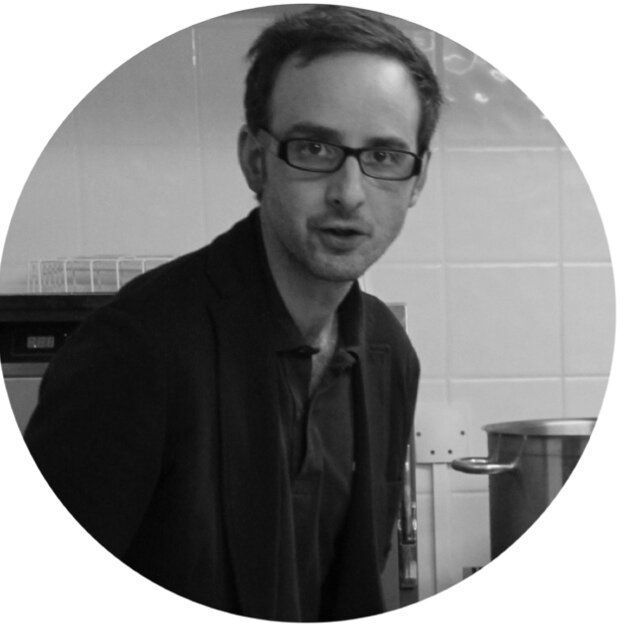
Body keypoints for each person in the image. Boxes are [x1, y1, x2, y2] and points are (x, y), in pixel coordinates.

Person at [24, 5, 442, 622]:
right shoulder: (135, 350)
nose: (349, 194)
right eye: (314, 147)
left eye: (384, 157)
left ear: (417, 180)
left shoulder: (387, 352)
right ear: (254, 159)